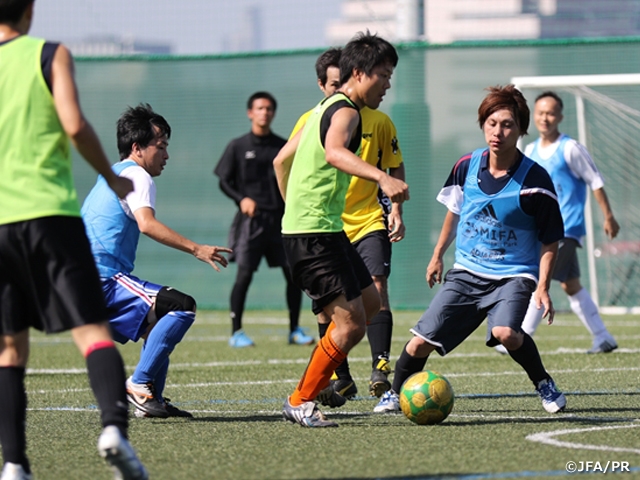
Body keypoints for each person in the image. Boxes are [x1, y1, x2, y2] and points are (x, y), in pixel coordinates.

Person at [0, 1, 147, 479]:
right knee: (92, 332)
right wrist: (112, 176)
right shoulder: (49, 54)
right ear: (29, 9)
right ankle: (113, 430)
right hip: (50, 216)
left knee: (9, 351)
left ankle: (14, 464)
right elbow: (75, 124)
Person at [374, 85, 568, 415]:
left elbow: (551, 239)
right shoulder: (466, 165)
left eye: (507, 125)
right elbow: (455, 212)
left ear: (521, 129)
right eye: (492, 123)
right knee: (419, 342)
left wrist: (543, 287)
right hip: (466, 272)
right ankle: (394, 393)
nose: (498, 132)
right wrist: (437, 255)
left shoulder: (536, 180)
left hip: (513, 275)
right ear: (482, 125)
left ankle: (544, 383)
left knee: (506, 333)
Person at [273, 31, 409, 427]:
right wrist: (382, 178)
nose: (387, 85)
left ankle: (321, 378)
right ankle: (301, 399)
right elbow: (335, 152)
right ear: (359, 73)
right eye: (383, 75)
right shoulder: (347, 111)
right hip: (314, 234)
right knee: (350, 326)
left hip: (322, 230)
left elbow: (280, 161)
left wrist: (293, 210)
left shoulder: (321, 108)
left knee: (370, 305)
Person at [82, 104, 232, 419]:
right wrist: (197, 249)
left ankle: (153, 400)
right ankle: (138, 384)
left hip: (83, 278)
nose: (166, 155)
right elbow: (146, 224)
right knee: (183, 306)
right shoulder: (138, 175)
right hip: (102, 277)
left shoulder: (114, 172)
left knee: (160, 318)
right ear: (137, 148)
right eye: (160, 147)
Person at [505, 91, 619, 354]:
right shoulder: (530, 150)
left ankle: (520, 336)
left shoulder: (571, 148)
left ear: (560, 117)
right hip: (542, 229)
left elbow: (595, 182)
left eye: (551, 113)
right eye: (540, 113)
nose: (545, 118)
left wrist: (608, 216)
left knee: (538, 277)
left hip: (566, 228)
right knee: (571, 285)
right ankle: (603, 337)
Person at [215, 92, 313, 348]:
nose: (265, 113)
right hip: (252, 221)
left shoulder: (282, 146)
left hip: (281, 220)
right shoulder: (238, 146)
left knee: (293, 275)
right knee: (244, 275)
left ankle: (294, 330)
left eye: (269, 109)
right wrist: (241, 199)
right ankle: (236, 332)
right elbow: (224, 180)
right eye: (260, 108)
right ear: (250, 113)